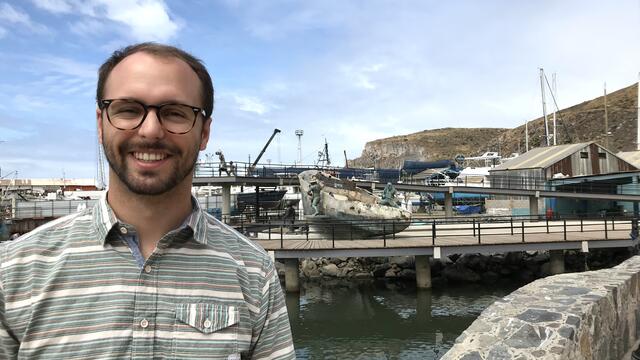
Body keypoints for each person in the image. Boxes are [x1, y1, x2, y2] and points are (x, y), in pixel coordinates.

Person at [0, 43, 295, 359]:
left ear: (205, 131)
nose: (151, 130)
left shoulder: (254, 272)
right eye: (128, 110)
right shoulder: (13, 272)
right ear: (101, 124)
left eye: (175, 113)